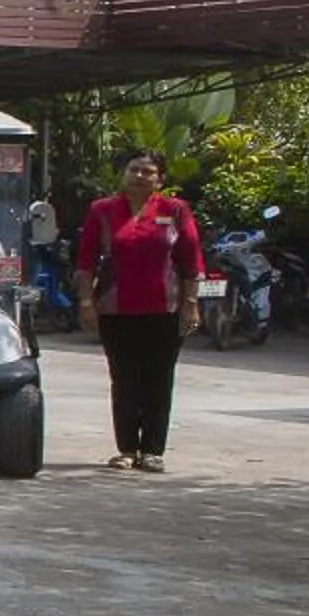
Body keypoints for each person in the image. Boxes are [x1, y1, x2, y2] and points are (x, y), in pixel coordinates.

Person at [75, 145, 202, 474]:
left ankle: (153, 451)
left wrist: (191, 304)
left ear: (160, 179)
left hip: (166, 309)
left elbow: (191, 261)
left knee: (159, 379)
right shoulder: (102, 210)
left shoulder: (175, 210)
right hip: (116, 310)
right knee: (124, 379)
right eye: (134, 170)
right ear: (124, 174)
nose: (140, 176)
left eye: (148, 171)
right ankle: (127, 449)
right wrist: (86, 303)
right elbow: (86, 262)